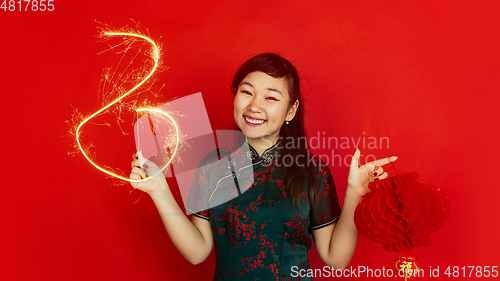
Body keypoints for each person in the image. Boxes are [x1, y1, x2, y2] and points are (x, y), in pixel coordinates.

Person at [129, 53, 397, 280]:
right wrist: (159, 191)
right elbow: (197, 253)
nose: (254, 106)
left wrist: (354, 194)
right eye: (247, 92)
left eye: (271, 98)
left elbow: (335, 260)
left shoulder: (311, 170)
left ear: (290, 111)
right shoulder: (213, 164)